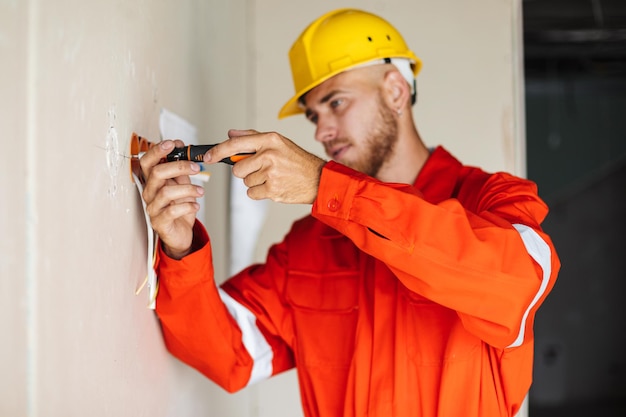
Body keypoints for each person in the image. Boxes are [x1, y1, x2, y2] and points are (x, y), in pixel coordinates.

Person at [140, 8, 560, 417]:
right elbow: (231, 354)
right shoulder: (308, 247)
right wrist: (181, 248)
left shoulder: (495, 201)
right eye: (313, 115)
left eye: (336, 102)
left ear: (395, 90)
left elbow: (513, 284)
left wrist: (329, 186)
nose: (322, 132)